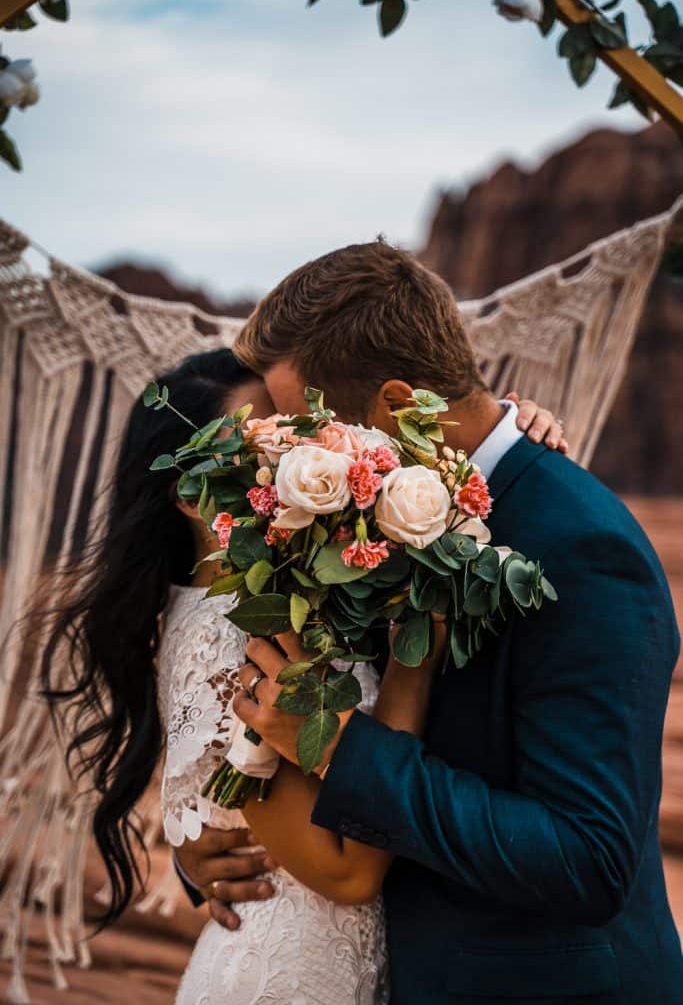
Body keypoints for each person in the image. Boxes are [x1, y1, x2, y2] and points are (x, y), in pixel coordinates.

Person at [179, 240, 682, 1005]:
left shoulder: (577, 546)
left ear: (389, 407)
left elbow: (588, 860)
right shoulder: (363, 520)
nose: (286, 457)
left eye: (297, 423)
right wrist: (205, 851)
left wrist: (346, 751)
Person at [41, 345, 561, 1003]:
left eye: (288, 434)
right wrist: (414, 664)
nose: (288, 462)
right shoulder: (233, 631)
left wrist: (512, 427)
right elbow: (345, 874)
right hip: (285, 979)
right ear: (190, 496)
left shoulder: (293, 589)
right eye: (258, 448)